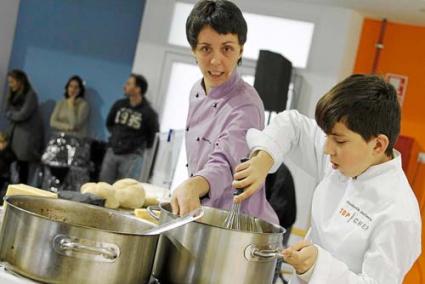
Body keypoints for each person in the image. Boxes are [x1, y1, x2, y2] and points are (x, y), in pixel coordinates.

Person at [233, 74, 421, 283]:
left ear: (378, 145)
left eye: (339, 141)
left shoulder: (400, 215)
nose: (326, 149)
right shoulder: (346, 156)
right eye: (327, 136)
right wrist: (264, 158)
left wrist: (317, 267)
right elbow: (292, 125)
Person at [170, 0, 278, 225]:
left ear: (241, 50)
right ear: (194, 51)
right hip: (208, 214)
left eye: (227, 48)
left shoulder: (246, 104)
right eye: (206, 49)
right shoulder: (196, 91)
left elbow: (228, 164)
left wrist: (193, 185)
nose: (216, 60)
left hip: (238, 225)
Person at [99, 74, 159, 184]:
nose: (124, 86)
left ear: (138, 89)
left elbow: (152, 138)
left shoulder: (149, 113)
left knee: (126, 191)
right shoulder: (119, 105)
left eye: (128, 84)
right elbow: (109, 123)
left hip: (132, 157)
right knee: (104, 187)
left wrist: (134, 145)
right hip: (112, 152)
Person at [4, 69, 44, 184]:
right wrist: (12, 113)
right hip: (14, 136)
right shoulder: (13, 94)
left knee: (23, 167)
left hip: (26, 137)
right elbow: (6, 109)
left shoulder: (31, 95)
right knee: (10, 164)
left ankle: (20, 194)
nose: (10, 85)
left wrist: (11, 114)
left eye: (12, 82)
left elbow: (22, 115)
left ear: (20, 81)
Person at [0, 131, 17, 198]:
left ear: (7, 143)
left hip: (5, 179)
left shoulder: (10, 154)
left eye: (3, 142)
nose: (1, 145)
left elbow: (14, 170)